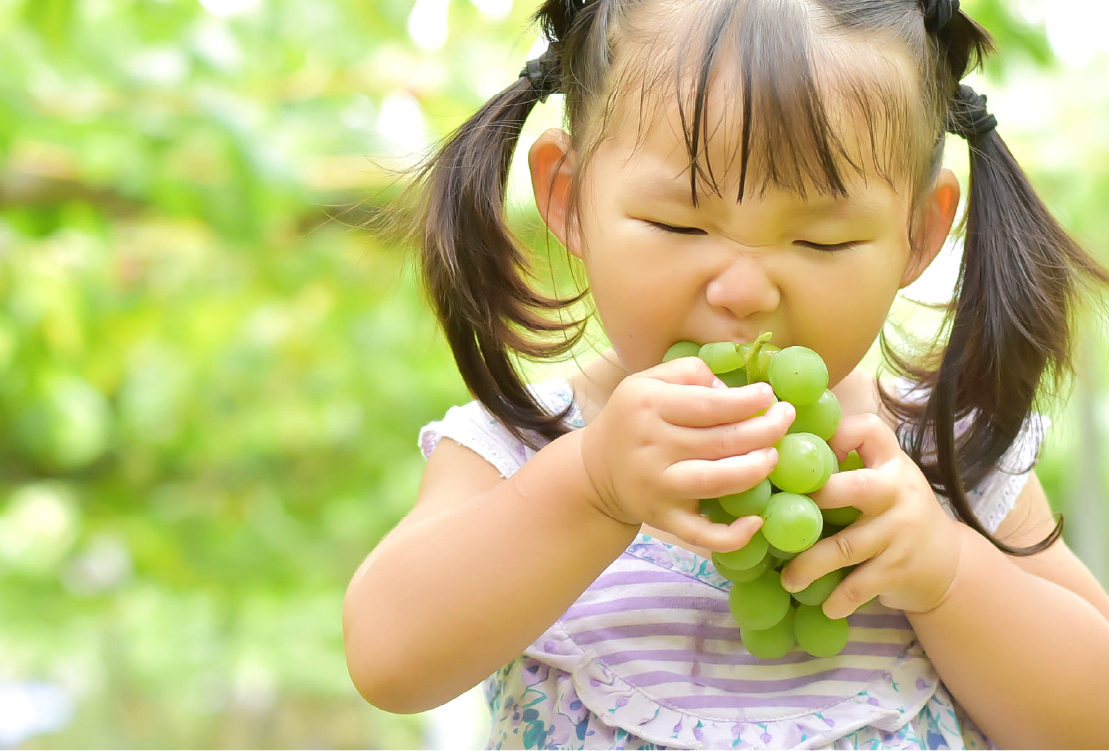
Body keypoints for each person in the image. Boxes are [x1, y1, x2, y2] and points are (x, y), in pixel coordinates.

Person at [342, 0, 1109, 747]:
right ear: (567, 199)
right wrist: (588, 487)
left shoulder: (949, 459)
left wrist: (948, 574)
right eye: (677, 224)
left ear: (920, 232)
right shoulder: (521, 446)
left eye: (821, 241)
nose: (743, 290)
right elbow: (388, 658)